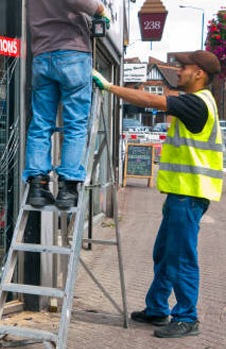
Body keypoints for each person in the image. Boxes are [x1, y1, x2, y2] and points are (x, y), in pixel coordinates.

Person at [93, 50, 223, 339]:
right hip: (181, 194)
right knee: (164, 253)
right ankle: (156, 308)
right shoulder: (197, 102)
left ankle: (187, 317)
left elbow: (151, 100)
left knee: (180, 256)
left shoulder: (197, 103)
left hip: (188, 195)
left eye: (183, 67)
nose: (177, 71)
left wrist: (110, 86)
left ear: (199, 74)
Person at [23, 0, 108, 208]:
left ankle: (37, 185)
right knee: (74, 124)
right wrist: (99, 8)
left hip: (42, 55)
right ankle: (68, 189)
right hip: (71, 52)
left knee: (41, 123)